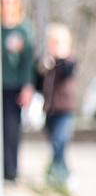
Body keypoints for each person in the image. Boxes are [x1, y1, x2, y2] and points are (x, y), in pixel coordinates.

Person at [1, 0, 36, 183]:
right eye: (5, 0)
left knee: (11, 129)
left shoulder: (24, 29)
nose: (8, 5)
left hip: (15, 85)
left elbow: (28, 60)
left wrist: (27, 85)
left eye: (11, 1)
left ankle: (11, 170)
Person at [35, 23, 78, 182]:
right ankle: (58, 170)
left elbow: (67, 72)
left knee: (60, 141)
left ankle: (61, 173)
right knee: (54, 142)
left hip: (65, 109)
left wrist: (59, 60)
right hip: (50, 109)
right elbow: (39, 83)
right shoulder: (47, 63)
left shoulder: (69, 61)